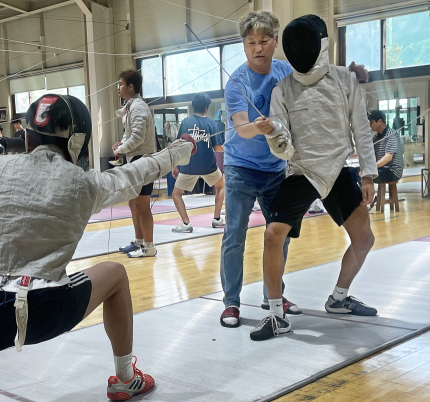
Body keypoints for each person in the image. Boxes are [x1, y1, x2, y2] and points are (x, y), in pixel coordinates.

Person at [0, 94, 195, 402]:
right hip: (47, 310)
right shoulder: (87, 184)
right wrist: (177, 153)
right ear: (79, 141)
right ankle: (126, 380)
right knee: (114, 273)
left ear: (29, 137)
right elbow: (134, 173)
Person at [251, 15, 378, 341]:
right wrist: (273, 134)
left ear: (320, 44)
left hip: (337, 167)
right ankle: (276, 315)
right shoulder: (283, 90)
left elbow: (361, 128)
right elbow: (284, 147)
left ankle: (338, 298)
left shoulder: (343, 79)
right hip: (302, 170)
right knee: (271, 236)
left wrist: (368, 173)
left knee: (364, 239)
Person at [219, 11, 300, 329]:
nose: (258, 47)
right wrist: (260, 126)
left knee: (280, 235)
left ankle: (273, 296)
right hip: (240, 167)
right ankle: (231, 303)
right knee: (234, 234)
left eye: (264, 41)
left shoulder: (286, 72)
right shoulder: (236, 82)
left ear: (275, 41)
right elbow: (241, 128)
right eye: (250, 42)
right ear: (243, 45)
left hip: (276, 168)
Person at [113, 69, 159, 258]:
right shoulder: (132, 106)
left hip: (142, 160)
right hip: (135, 160)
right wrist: (121, 144)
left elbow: (138, 138)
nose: (118, 88)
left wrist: (120, 149)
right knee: (133, 203)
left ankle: (149, 246)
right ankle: (139, 241)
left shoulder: (138, 107)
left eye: (121, 84)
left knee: (142, 205)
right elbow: (129, 135)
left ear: (131, 87)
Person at [171, 93, 225, 233]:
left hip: (188, 166)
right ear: (207, 108)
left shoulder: (186, 122)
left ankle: (186, 223)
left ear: (193, 106)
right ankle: (217, 219)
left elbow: (178, 145)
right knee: (221, 186)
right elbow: (218, 148)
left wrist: (176, 166)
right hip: (209, 166)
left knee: (176, 194)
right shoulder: (212, 123)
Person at [368, 110, 404, 184]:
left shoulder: (391, 134)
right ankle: (377, 196)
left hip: (393, 171)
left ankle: (373, 195)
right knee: (357, 173)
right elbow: (367, 150)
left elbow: (388, 157)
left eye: (371, 122)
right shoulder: (377, 137)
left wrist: (372, 168)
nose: (370, 125)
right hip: (384, 168)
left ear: (380, 122)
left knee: (366, 176)